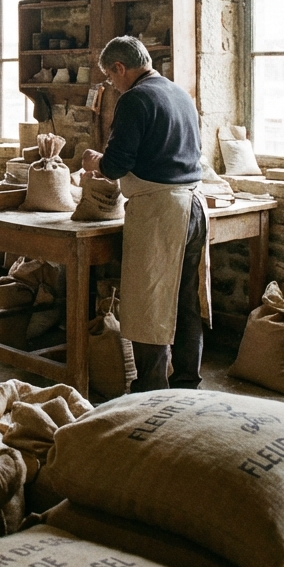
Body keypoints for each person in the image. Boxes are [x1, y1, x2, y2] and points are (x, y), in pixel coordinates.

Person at [81, 36, 209, 392]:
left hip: (161, 212)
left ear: (120, 68)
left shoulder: (135, 98)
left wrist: (97, 162)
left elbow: (118, 163)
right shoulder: (179, 94)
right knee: (183, 301)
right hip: (194, 205)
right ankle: (186, 384)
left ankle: (151, 390)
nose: (111, 84)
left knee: (150, 301)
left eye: (110, 77)